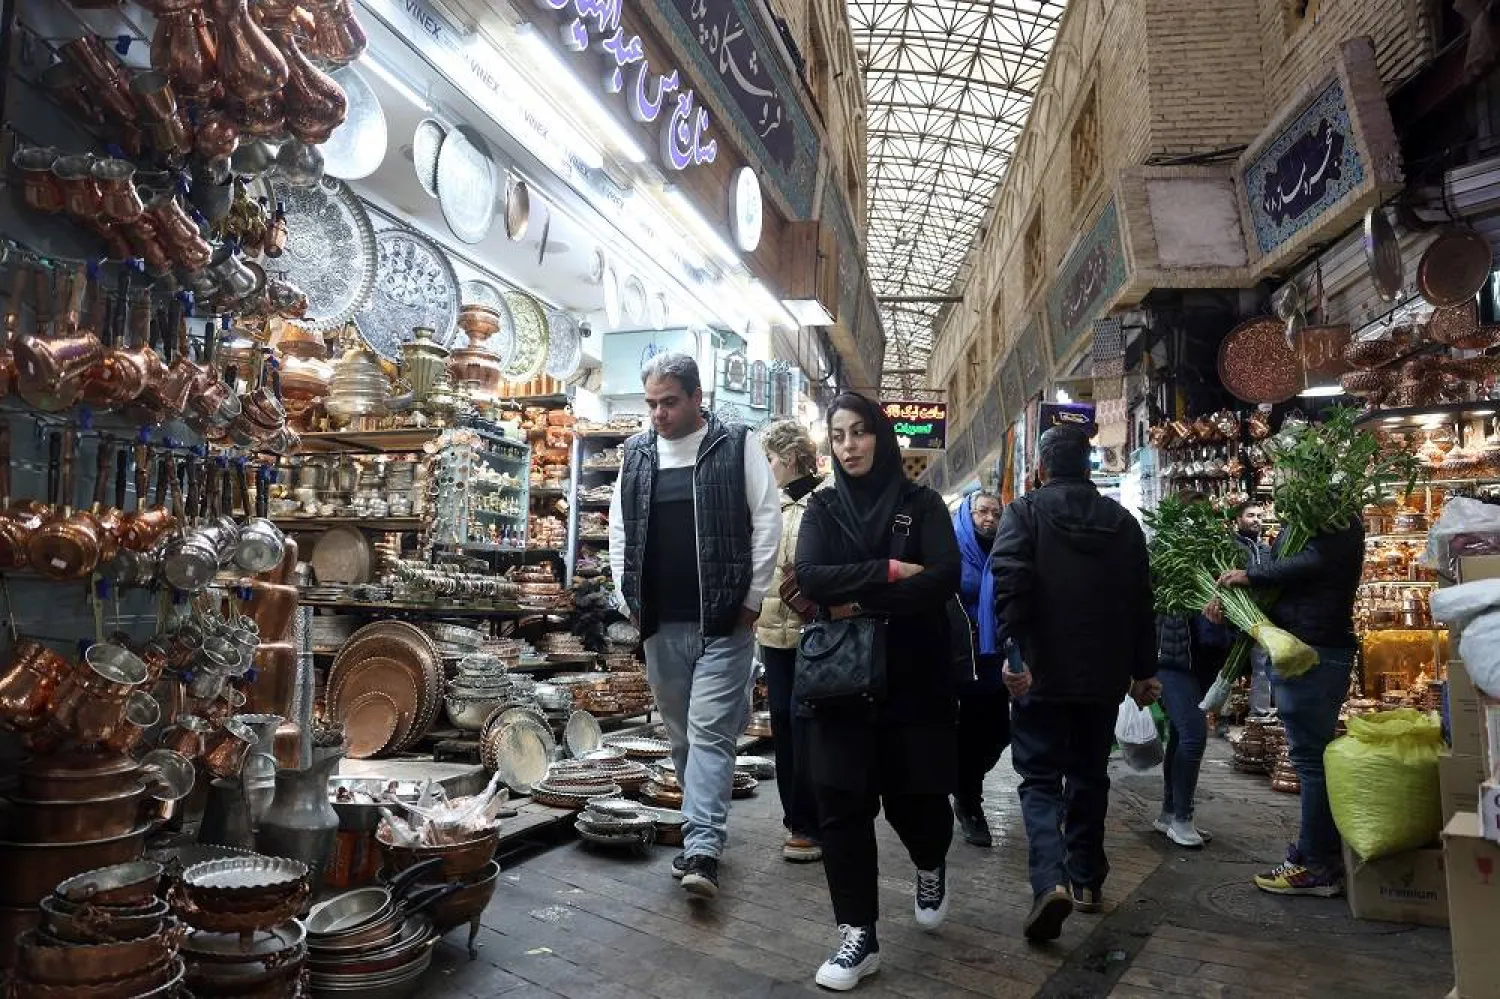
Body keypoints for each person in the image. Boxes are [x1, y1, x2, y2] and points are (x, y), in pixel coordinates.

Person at [792, 393, 960, 992]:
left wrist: (851, 598)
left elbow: (943, 579)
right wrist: (889, 572)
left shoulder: (923, 504)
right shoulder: (824, 508)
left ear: (881, 439)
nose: (849, 446)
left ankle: (929, 859)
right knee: (841, 807)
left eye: (860, 433)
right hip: (840, 684)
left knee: (917, 803)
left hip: (914, 681)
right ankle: (858, 933)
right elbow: (808, 577)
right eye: (838, 436)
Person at [607, 352, 781, 900]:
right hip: (661, 623)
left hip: (723, 624)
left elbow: (767, 517)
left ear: (697, 397)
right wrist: (627, 596)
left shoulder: (735, 444)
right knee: (682, 736)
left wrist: (752, 598)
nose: (657, 414)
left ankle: (702, 843)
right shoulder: (636, 452)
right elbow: (620, 529)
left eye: (669, 402)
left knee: (708, 731)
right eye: (651, 404)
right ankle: (699, 821)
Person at [989, 425, 1160, 942]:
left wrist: (1015, 655)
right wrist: (1143, 670)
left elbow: (1010, 584)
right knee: (1089, 773)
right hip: (1103, 676)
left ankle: (1049, 882)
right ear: (1088, 468)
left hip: (1041, 672)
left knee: (1039, 778)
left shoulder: (1024, 513)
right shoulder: (1123, 523)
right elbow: (1140, 601)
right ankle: (1086, 881)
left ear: (1041, 468)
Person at [1216, 514, 1363, 897]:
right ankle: (1317, 856)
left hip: (1313, 650)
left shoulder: (1336, 521)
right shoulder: (1311, 520)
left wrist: (1252, 576)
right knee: (1311, 758)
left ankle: (1315, 866)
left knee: (1311, 761)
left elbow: (1311, 562)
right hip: (1308, 646)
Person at [755, 418, 823, 863]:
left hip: (815, 633)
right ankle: (795, 819)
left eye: (771, 460)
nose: (768, 468)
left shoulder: (827, 502)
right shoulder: (767, 504)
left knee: (808, 723)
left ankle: (811, 821)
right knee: (782, 720)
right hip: (770, 633)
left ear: (793, 458)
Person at [1154, 494, 1231, 849]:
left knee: (1180, 735)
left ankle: (1170, 814)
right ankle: (1183, 817)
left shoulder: (1221, 554)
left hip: (1204, 661)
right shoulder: (1163, 554)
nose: (1201, 524)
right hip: (1171, 661)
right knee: (1193, 734)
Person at [950, 491, 1010, 847]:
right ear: (967, 516)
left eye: (995, 512)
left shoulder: (1006, 549)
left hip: (996, 657)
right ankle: (970, 804)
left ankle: (962, 784)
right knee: (969, 733)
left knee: (999, 733)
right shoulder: (953, 551)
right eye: (981, 512)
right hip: (962, 659)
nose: (989, 519)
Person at [1232, 501, 1276, 718]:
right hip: (1235, 614)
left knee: (1261, 664)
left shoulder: (1267, 549)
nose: (1257, 519)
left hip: (1259, 615)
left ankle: (1260, 714)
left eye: (1259, 515)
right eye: (1250, 515)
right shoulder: (1230, 547)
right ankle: (1221, 716)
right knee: (1230, 665)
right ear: (1238, 520)